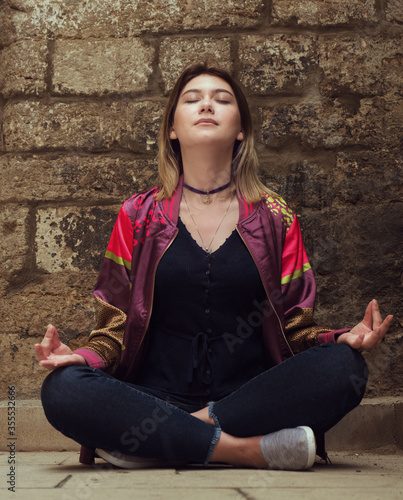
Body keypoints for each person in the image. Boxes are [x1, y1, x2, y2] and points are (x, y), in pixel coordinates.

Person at [35, 63, 393, 471]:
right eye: (192, 99)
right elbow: (114, 329)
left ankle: (168, 439)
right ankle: (249, 451)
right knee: (63, 389)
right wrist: (82, 359)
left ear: (241, 129)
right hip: (154, 397)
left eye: (222, 100)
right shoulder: (138, 215)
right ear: (172, 129)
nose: (207, 105)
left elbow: (297, 328)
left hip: (250, 399)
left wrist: (344, 338)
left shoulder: (276, 217)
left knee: (345, 368)